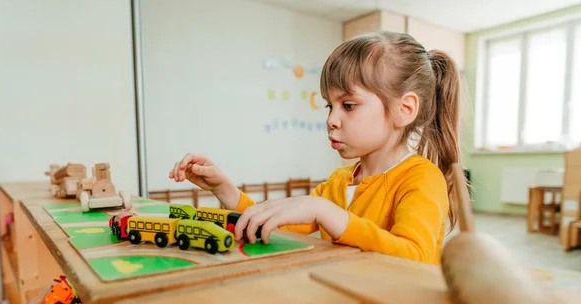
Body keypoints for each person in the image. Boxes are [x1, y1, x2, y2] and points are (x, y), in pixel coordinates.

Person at [169, 31, 463, 265]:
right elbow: (281, 224)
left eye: (348, 105)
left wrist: (326, 212)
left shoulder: (422, 178)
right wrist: (225, 189)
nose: (331, 120)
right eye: (329, 106)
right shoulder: (340, 181)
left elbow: (417, 257)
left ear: (405, 109)